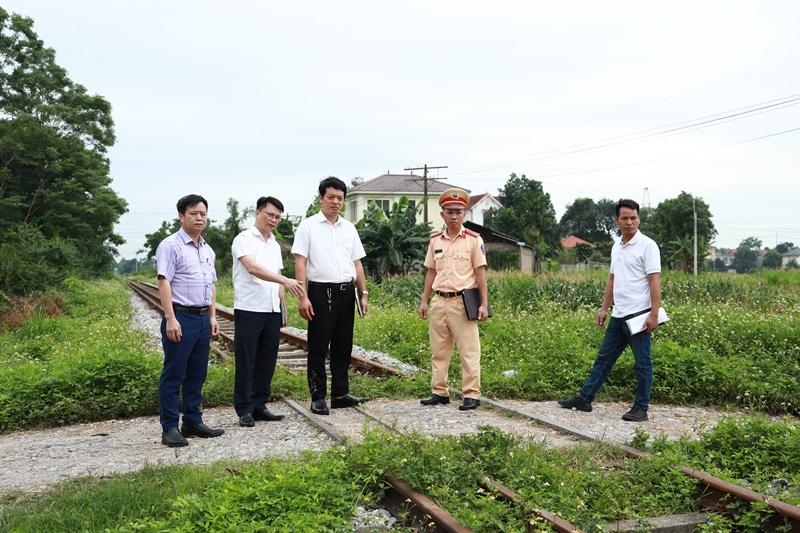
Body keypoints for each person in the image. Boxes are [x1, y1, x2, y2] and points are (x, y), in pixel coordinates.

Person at [558, 198, 662, 422]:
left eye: (633, 218)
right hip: (619, 314)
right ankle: (585, 399)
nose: (629, 222)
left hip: (639, 315)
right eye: (624, 218)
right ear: (616, 220)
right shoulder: (617, 246)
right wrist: (604, 308)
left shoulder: (648, 245)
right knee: (603, 359)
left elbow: (654, 280)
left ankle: (641, 408)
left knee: (642, 364)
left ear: (639, 218)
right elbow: (612, 279)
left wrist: (654, 313)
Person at [291, 177, 369, 415]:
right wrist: (303, 297)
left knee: (343, 346)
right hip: (320, 292)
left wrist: (363, 292)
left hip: (347, 292)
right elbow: (300, 263)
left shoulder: (349, 228)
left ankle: (340, 394)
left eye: (340, 198)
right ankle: (318, 396)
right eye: (331, 197)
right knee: (318, 346)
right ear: (321, 198)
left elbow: (357, 263)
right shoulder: (308, 226)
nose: (336, 202)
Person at [155, 194, 225, 447]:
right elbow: (163, 281)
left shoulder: (207, 249)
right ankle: (170, 428)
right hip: (180, 316)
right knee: (174, 373)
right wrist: (170, 318)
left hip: (201, 318)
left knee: (197, 373)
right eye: (194, 213)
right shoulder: (170, 245)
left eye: (203, 213)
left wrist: (213, 315)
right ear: (181, 216)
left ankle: (193, 421)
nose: (199, 217)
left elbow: (212, 284)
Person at [231, 196, 305, 427]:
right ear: (257, 213)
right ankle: (244, 409)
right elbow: (253, 268)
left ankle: (259, 405)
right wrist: (285, 279)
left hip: (271, 309)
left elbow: (278, 279)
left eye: (277, 217)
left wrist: (282, 305)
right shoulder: (243, 239)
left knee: (267, 359)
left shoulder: (273, 244)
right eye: (270, 214)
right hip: (250, 308)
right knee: (246, 359)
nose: (273, 220)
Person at [418, 188, 489, 411]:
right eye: (449, 211)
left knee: (468, 350)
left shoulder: (473, 241)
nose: (454, 216)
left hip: (462, 301)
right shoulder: (435, 241)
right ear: (442, 214)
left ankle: (471, 394)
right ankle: (439, 391)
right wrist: (424, 300)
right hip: (439, 301)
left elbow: (480, 274)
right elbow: (431, 272)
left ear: (464, 214)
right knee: (439, 350)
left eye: (458, 211)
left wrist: (484, 304)